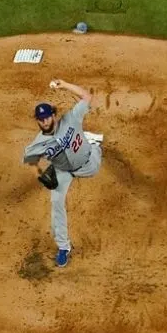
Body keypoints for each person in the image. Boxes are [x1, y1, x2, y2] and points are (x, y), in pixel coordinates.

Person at [22, 79, 103, 267]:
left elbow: (87, 97)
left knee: (93, 154)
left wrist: (64, 85)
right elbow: (30, 159)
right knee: (56, 202)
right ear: (37, 121)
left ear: (53, 115)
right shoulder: (38, 143)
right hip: (63, 170)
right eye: (41, 119)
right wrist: (40, 175)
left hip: (88, 162)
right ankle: (63, 247)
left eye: (48, 117)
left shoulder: (70, 118)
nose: (45, 121)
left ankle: (93, 142)